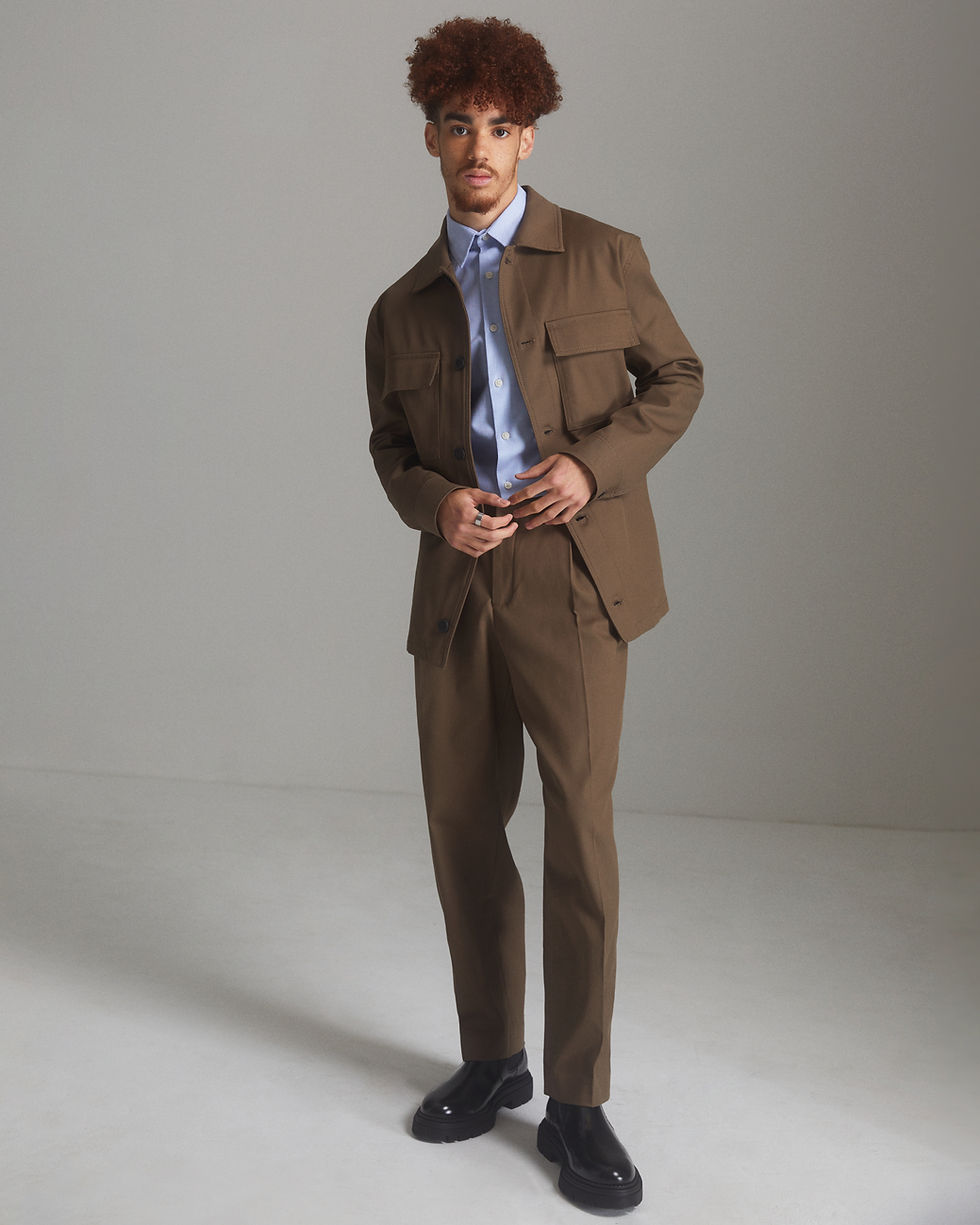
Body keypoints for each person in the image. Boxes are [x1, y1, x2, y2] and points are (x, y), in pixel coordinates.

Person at [366, 16, 703, 1213]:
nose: (477, 146)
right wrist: (436, 504)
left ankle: (576, 1098)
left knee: (577, 828)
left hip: (574, 581)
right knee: (462, 825)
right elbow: (390, 448)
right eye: (456, 125)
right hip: (459, 590)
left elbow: (677, 378)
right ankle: (491, 1058)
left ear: (527, 138)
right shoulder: (399, 308)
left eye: (499, 126)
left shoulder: (603, 256)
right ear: (429, 137)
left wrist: (590, 466)